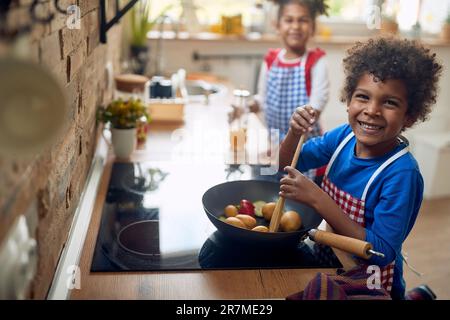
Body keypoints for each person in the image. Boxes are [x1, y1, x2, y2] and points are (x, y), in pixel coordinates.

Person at [278, 37, 442, 299]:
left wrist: (320, 200)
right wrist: (294, 133)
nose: (372, 110)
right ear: (348, 101)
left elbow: (381, 251)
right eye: (363, 97)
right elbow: (287, 164)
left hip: (370, 283)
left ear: (409, 116)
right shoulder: (342, 137)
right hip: (330, 260)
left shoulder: (401, 174)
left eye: (389, 103)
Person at [230, 0, 330, 180]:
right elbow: (262, 100)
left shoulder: (316, 62)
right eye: (289, 20)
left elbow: (314, 110)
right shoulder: (271, 59)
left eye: (303, 20)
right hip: (274, 149)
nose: (295, 26)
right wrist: (242, 109)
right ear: (277, 25)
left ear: (313, 27)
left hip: (305, 153)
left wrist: (287, 145)